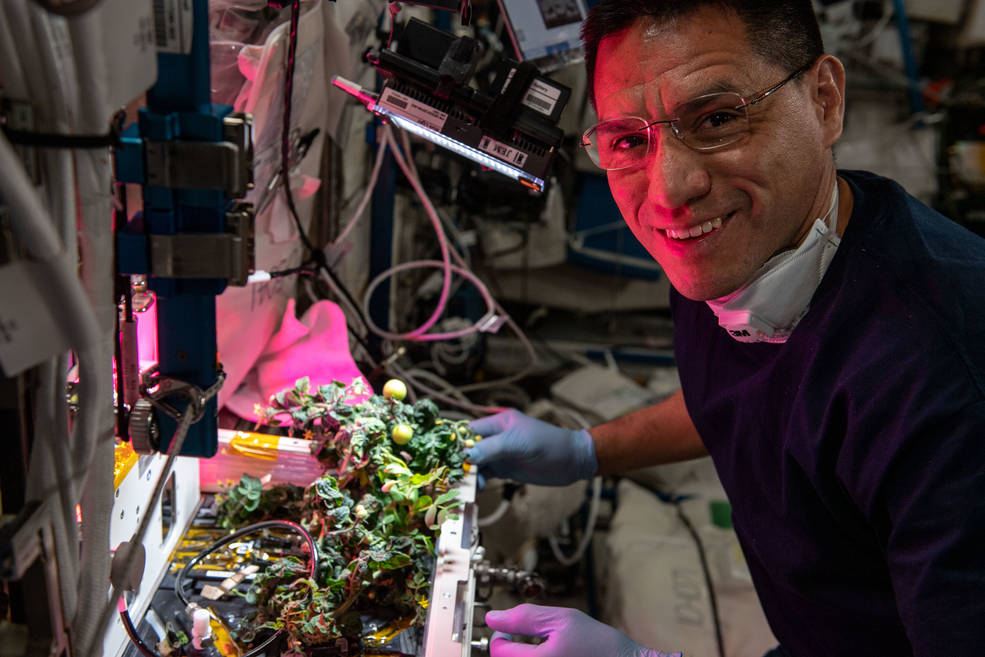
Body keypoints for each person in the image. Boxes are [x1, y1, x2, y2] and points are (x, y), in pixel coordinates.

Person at [466, 1, 985, 656]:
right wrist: (584, 451)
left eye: (716, 119)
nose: (669, 189)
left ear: (824, 100)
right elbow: (756, 392)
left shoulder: (950, 392)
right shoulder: (753, 243)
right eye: (628, 140)